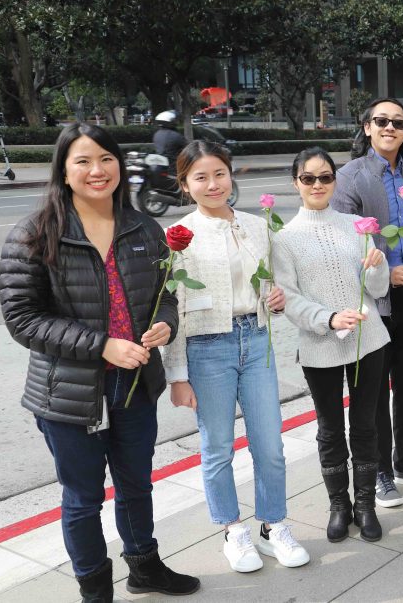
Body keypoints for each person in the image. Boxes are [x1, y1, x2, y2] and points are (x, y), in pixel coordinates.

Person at [0, 123, 200, 602]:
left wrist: (165, 324)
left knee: (137, 486)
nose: (97, 170)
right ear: (64, 171)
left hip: (134, 386)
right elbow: (23, 319)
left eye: (106, 159)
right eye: (83, 161)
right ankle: (94, 589)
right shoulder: (35, 233)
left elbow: (164, 294)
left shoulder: (142, 227)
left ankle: (145, 568)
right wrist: (102, 345)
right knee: (83, 500)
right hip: (68, 394)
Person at [162, 141, 309, 573]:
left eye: (220, 174)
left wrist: (277, 300)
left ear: (231, 176)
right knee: (218, 448)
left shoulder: (257, 226)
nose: (213, 184)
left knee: (270, 446)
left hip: (256, 338)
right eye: (201, 177)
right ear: (186, 185)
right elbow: (174, 309)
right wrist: (177, 375)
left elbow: (273, 287)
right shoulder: (177, 237)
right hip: (206, 347)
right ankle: (232, 530)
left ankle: (273, 526)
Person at [333, 98, 403, 512]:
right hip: (372, 303)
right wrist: (385, 274)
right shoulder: (349, 177)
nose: (390, 128)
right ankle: (379, 467)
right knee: (373, 392)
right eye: (381, 121)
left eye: (398, 123)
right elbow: (345, 244)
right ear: (367, 127)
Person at [274, 147, 391, 542]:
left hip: (368, 340)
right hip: (320, 344)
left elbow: (377, 289)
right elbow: (288, 297)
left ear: (335, 181)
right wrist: (328, 319)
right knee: (329, 428)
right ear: (296, 184)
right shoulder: (285, 239)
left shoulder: (358, 225)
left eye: (325, 177)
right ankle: (338, 505)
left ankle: (365, 505)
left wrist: (377, 267)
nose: (318, 184)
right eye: (309, 178)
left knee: (365, 423)